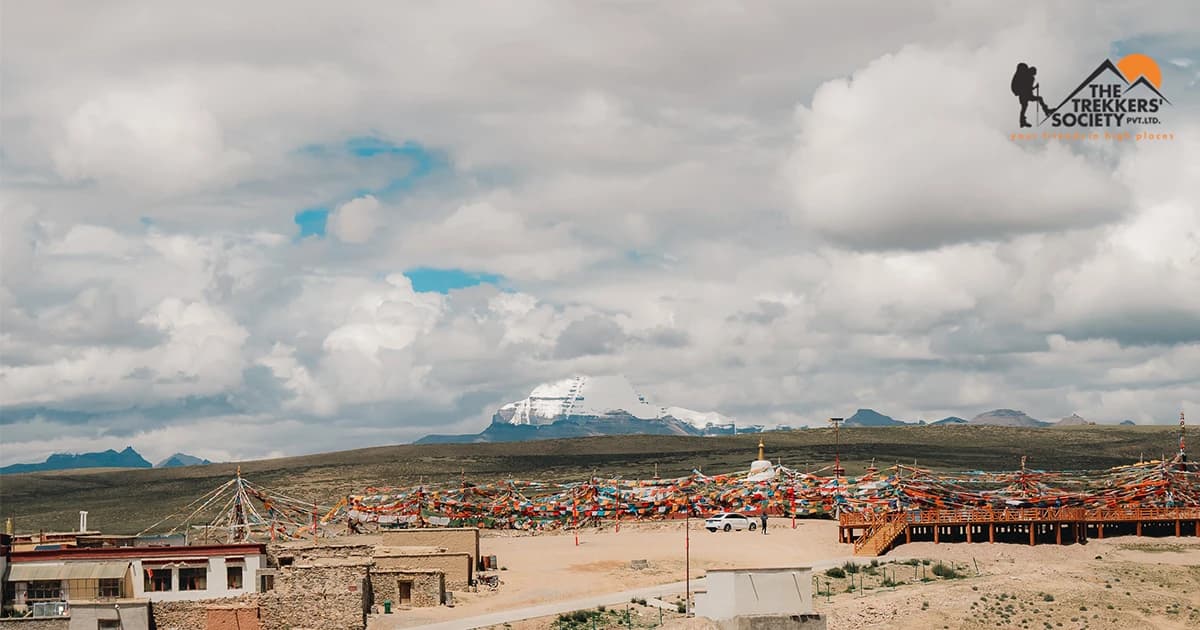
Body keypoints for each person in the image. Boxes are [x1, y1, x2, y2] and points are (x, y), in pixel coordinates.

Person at [1011, 62, 1052, 127]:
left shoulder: (1030, 77)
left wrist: (1034, 87)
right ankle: (1046, 111)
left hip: (1025, 94)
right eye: (1034, 73)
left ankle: (1022, 121)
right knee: (1026, 106)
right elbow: (1027, 87)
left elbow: (1028, 88)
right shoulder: (1026, 76)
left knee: (1025, 106)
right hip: (1023, 94)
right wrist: (1034, 87)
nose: (1034, 74)